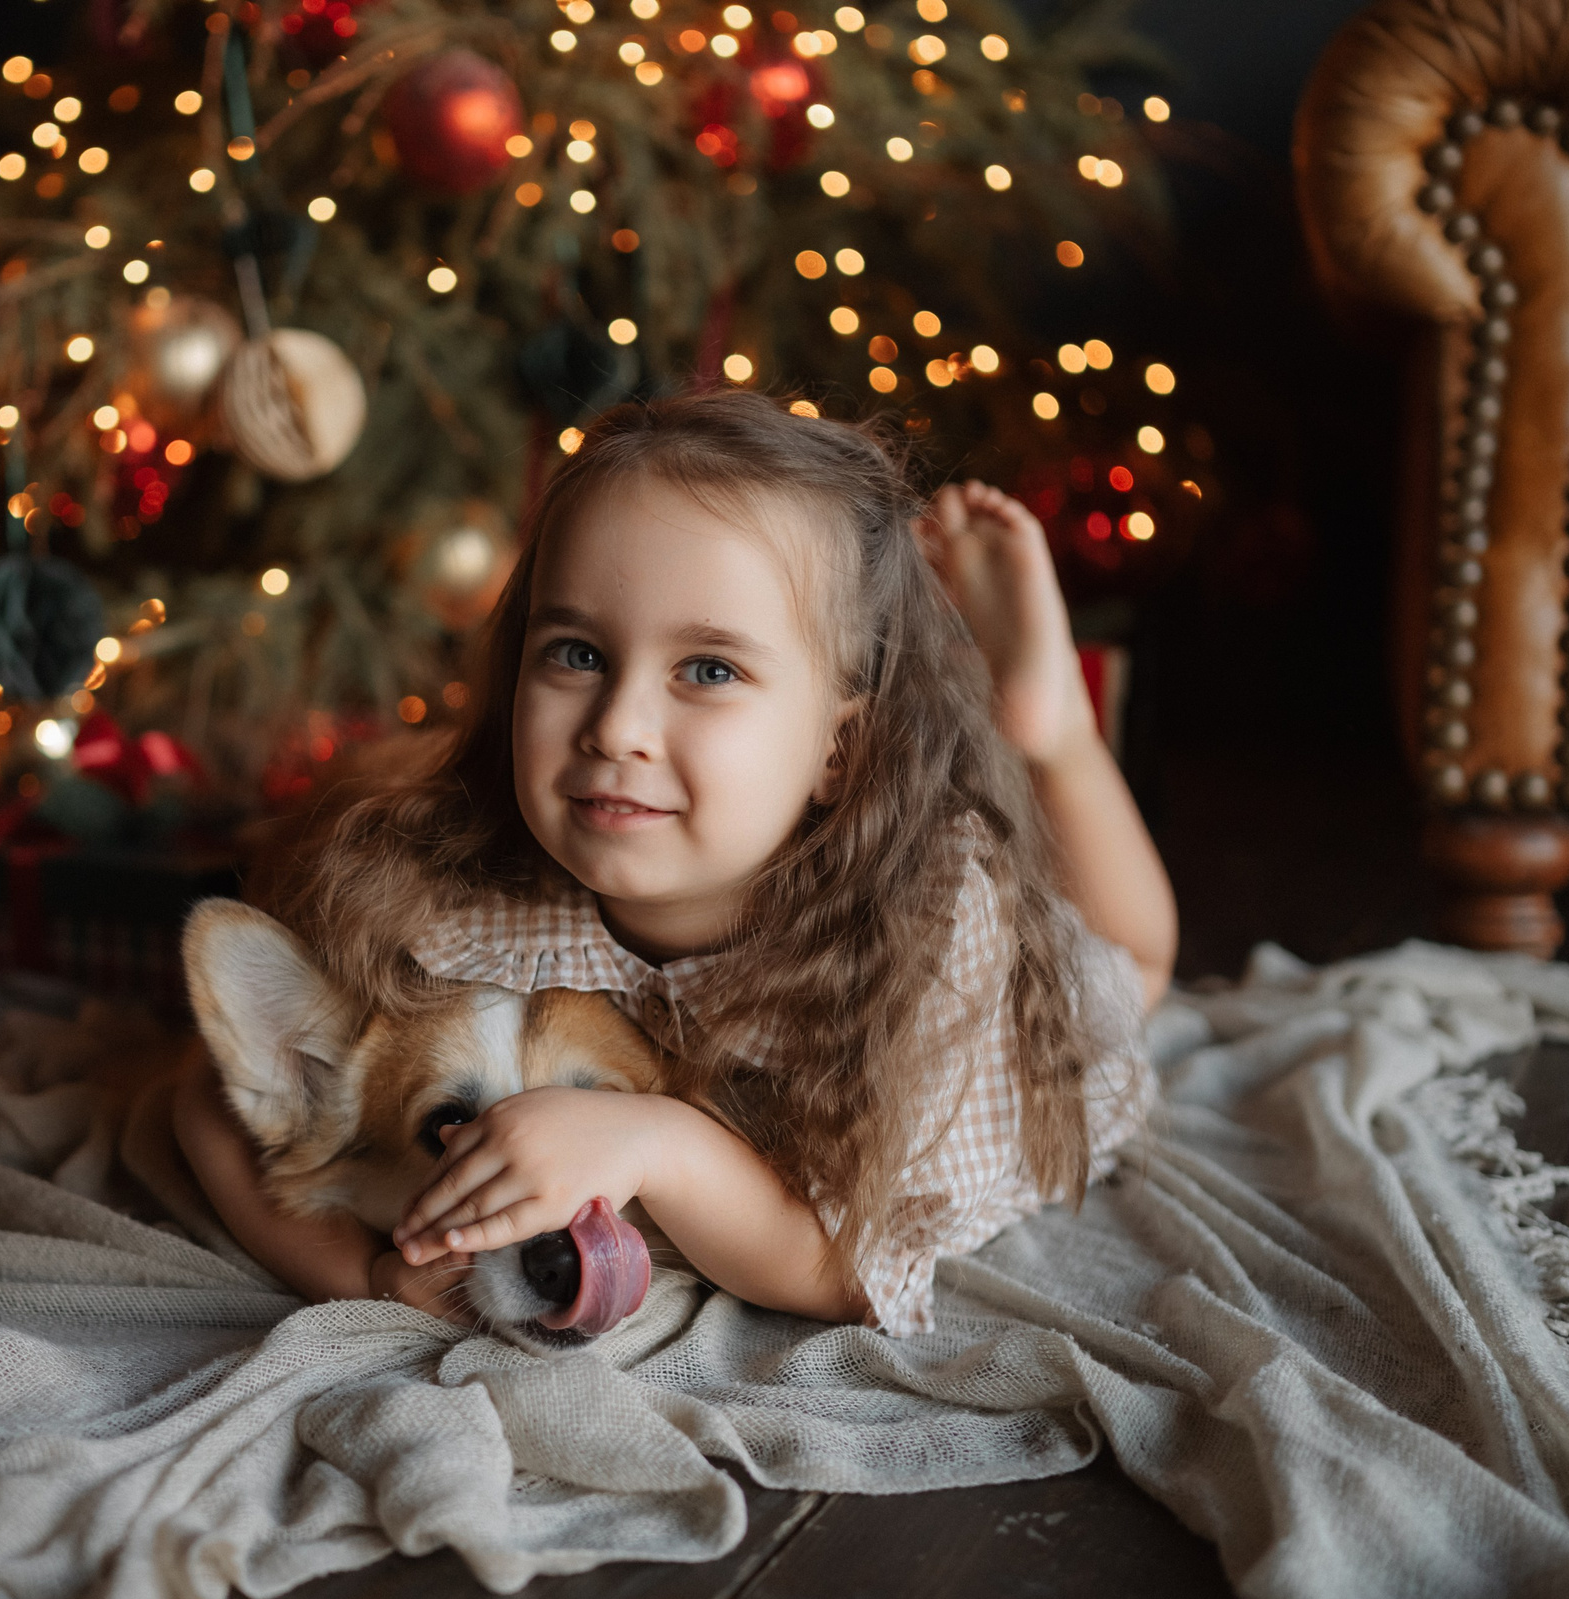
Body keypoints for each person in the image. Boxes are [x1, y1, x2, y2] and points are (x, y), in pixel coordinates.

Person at [174, 389, 1176, 1334]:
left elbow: (841, 1271)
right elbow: (209, 1106)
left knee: (1130, 969)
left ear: (839, 750)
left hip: (974, 1012)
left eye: (708, 670)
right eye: (575, 653)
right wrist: (362, 1279)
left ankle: (1054, 730)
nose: (617, 728)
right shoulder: (450, 909)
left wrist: (653, 1139)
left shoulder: (932, 930)